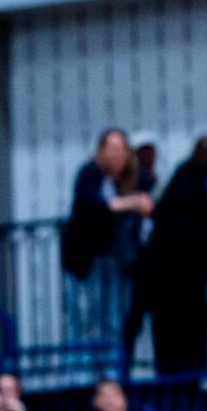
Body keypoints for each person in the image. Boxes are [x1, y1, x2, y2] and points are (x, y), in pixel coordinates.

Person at [61, 128, 152, 347]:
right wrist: (134, 202)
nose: (114, 154)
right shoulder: (89, 173)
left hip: (116, 260)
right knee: (84, 318)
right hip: (85, 260)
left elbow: (148, 193)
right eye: (110, 148)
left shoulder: (129, 178)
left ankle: (110, 373)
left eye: (119, 149)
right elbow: (98, 205)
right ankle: (83, 374)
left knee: (114, 318)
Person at [147, 134, 207, 375]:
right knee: (176, 327)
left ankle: (199, 372)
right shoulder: (186, 176)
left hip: (201, 270)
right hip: (175, 271)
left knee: (202, 322)